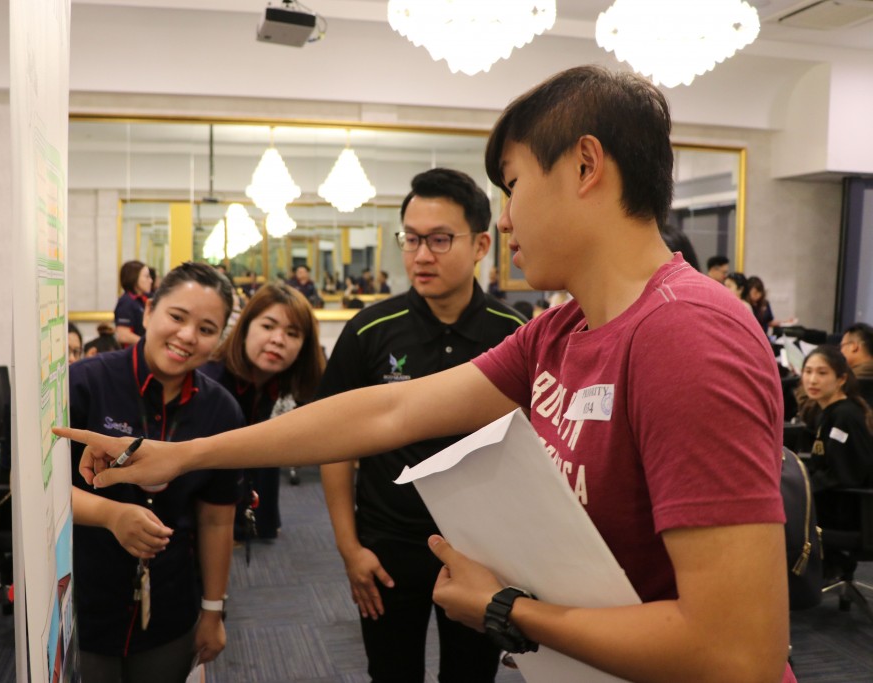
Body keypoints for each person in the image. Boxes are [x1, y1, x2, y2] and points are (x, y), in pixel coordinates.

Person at [58, 66, 795, 683]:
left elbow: (739, 652)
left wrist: (508, 608)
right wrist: (182, 454)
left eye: (512, 185)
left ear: (584, 167)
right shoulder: (560, 330)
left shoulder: (686, 335)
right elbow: (387, 413)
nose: (504, 222)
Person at [318, 167, 526, 682]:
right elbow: (334, 445)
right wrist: (350, 548)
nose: (421, 255)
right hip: (387, 545)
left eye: (438, 239)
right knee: (391, 674)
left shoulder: (516, 335)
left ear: (481, 244)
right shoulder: (370, 330)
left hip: (482, 550)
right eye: (410, 239)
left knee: (470, 677)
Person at [68, 262, 244, 682]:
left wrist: (213, 610)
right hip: (84, 591)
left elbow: (218, 517)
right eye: (177, 317)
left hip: (170, 598)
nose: (187, 336)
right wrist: (111, 515)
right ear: (148, 313)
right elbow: (36, 490)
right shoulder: (84, 384)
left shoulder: (221, 410)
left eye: (206, 328)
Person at [201, 282, 325, 540]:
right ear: (245, 328)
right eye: (268, 326)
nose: (277, 340)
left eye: (292, 333)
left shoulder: (273, 380)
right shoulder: (212, 385)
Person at [798, 346, 873, 532]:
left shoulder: (845, 416)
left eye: (822, 373)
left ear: (841, 379)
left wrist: (802, 488)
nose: (813, 380)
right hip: (829, 501)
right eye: (808, 372)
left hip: (843, 510)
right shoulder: (826, 412)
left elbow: (844, 474)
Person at [115, 260, 153, 347]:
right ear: (134, 278)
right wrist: (149, 344)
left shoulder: (144, 299)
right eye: (146, 277)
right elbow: (123, 335)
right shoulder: (126, 302)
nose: (150, 280)